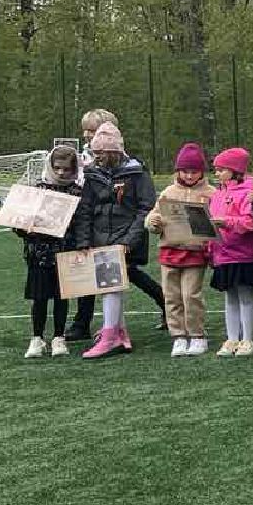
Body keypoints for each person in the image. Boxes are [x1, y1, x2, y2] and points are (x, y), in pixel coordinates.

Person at [75, 123, 156, 359]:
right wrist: (84, 241)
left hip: (125, 238)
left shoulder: (137, 173)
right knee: (109, 286)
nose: (96, 157)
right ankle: (118, 332)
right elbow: (85, 208)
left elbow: (145, 208)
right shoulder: (93, 174)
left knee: (111, 285)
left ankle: (111, 335)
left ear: (113, 152)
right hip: (101, 237)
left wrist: (128, 240)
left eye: (100, 153)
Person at [142, 143, 215, 358]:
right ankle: (178, 336)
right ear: (178, 171)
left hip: (195, 252)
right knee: (171, 296)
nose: (190, 175)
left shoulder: (211, 193)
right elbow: (153, 218)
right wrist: (152, 222)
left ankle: (197, 335)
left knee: (191, 295)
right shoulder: (168, 192)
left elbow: (216, 222)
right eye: (185, 171)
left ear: (202, 171)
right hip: (169, 251)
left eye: (194, 171)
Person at [19, 146, 84, 359]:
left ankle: (58, 338)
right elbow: (20, 222)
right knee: (39, 298)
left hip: (64, 253)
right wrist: (23, 228)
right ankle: (37, 339)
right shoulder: (38, 189)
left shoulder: (76, 192)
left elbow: (81, 223)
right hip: (38, 254)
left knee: (60, 297)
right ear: (50, 166)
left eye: (66, 169)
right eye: (57, 168)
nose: (62, 173)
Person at [204, 147, 253, 357]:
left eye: (221, 169)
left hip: (244, 253)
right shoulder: (217, 194)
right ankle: (232, 338)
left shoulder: (250, 192)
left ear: (235, 170)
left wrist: (226, 222)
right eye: (216, 170)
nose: (217, 173)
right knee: (230, 298)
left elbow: (251, 222)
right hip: (223, 254)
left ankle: (247, 338)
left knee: (246, 296)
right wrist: (211, 249)